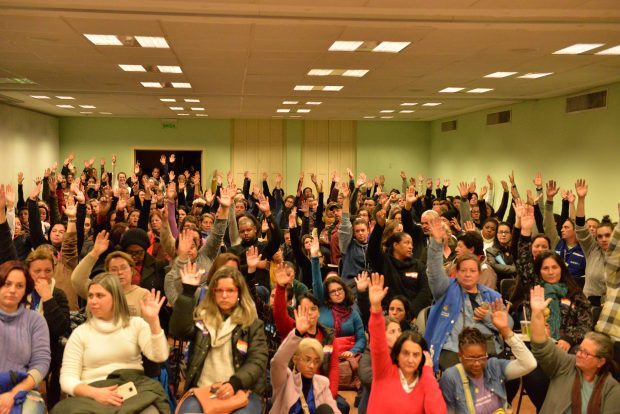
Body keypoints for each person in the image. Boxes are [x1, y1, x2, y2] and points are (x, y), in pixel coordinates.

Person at [55, 273, 169, 413]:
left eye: (100, 295)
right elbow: (67, 379)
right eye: (90, 296)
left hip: (133, 389)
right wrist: (96, 393)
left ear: (115, 298)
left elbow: (160, 356)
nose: (93, 301)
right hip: (92, 395)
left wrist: (153, 322)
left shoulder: (136, 324)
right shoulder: (80, 333)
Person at [171, 264, 268, 414]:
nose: (224, 295)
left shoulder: (252, 324)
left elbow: (258, 360)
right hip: (203, 388)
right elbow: (178, 330)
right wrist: (188, 292)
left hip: (242, 389)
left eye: (230, 290)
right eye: (219, 290)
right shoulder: (201, 317)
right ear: (213, 293)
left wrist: (235, 383)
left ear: (239, 293)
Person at [425, 217, 506, 372]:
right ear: (457, 272)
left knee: (507, 377)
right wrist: (436, 244)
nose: (468, 274)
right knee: (459, 375)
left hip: (486, 348)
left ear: (479, 273)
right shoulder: (446, 289)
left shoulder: (491, 296)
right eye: (463, 270)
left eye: (472, 271)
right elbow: (434, 272)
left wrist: (488, 317)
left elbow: (507, 324)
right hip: (454, 347)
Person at [529, 285, 620, 413]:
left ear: (600, 362)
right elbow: (541, 346)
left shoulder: (612, 390)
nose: (579, 354)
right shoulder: (566, 364)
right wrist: (537, 314)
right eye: (580, 349)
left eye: (586, 353)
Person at [366, 272, 446, 413]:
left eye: (416, 355)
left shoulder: (425, 381)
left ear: (423, 357)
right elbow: (378, 341)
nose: (410, 359)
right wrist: (376, 308)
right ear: (397, 354)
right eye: (405, 353)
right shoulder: (384, 371)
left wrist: (428, 372)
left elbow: (437, 411)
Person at [439, 300, 537, 413]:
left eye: (481, 357)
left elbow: (530, 364)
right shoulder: (451, 377)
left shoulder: (493, 367)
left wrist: (505, 330)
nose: (477, 363)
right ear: (460, 356)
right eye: (471, 358)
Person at [24, 246, 72, 410]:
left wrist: (47, 297)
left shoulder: (57, 295)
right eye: (37, 271)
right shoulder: (22, 292)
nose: (43, 275)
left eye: (48, 270)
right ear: (28, 271)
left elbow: (62, 328)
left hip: (50, 351)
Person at [269, 306, 341, 414]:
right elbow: (278, 362)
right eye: (307, 360)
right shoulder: (284, 379)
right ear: (295, 359)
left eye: (316, 361)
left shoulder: (322, 383)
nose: (312, 366)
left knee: (325, 410)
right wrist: (297, 333)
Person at [0, 261, 50, 414]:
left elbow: (41, 363)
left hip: (23, 389)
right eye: (7, 284)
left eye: (19, 286)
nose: (12, 290)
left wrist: (13, 394)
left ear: (26, 290)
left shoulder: (35, 320)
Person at [310, 235, 366, 357]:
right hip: (326, 355)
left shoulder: (352, 313)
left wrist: (353, 352)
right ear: (328, 296)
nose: (337, 293)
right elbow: (316, 284)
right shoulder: (323, 307)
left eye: (340, 289)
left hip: (349, 357)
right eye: (333, 291)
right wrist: (314, 258)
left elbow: (361, 338)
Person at [72, 231, 150, 317]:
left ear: (131, 270)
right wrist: (95, 253)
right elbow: (77, 280)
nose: (120, 272)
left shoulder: (142, 294)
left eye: (123, 268)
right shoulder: (98, 290)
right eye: (114, 269)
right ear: (108, 273)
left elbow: (148, 326)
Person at [575, 178, 612, 305]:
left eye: (608, 235)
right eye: (600, 236)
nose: (604, 239)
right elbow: (580, 228)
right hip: (590, 304)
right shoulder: (592, 249)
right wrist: (581, 199)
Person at [357, 315, 402, 414]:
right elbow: (365, 375)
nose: (398, 335)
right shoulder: (371, 350)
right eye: (392, 332)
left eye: (399, 330)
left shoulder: (405, 353)